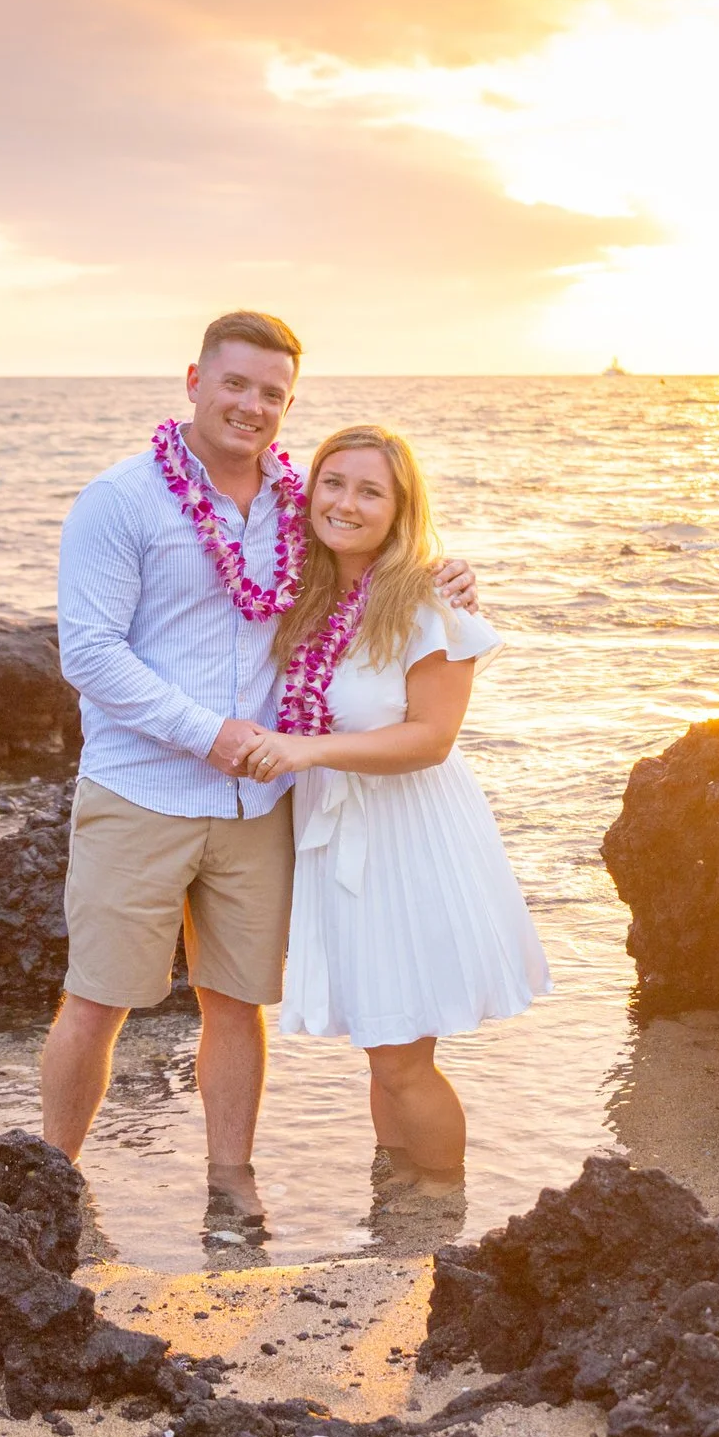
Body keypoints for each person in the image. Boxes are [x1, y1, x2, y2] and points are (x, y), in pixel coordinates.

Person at [41, 312, 477, 1245]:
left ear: (288, 405)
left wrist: (448, 573)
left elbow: (375, 553)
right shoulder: (121, 501)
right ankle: (51, 1176)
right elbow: (89, 653)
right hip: (143, 789)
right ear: (195, 378)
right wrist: (213, 734)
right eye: (236, 384)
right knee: (97, 996)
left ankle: (231, 1183)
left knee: (236, 1002)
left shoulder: (295, 502)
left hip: (259, 802)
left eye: (273, 393)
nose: (252, 406)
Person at [231, 425, 549, 1221]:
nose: (346, 502)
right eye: (332, 482)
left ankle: (441, 1214)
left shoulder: (428, 598)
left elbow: (432, 738)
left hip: (408, 839)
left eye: (370, 490)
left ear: (401, 508)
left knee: (404, 1054)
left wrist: (306, 751)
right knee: (383, 1043)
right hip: (339, 838)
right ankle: (394, 1205)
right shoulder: (305, 593)